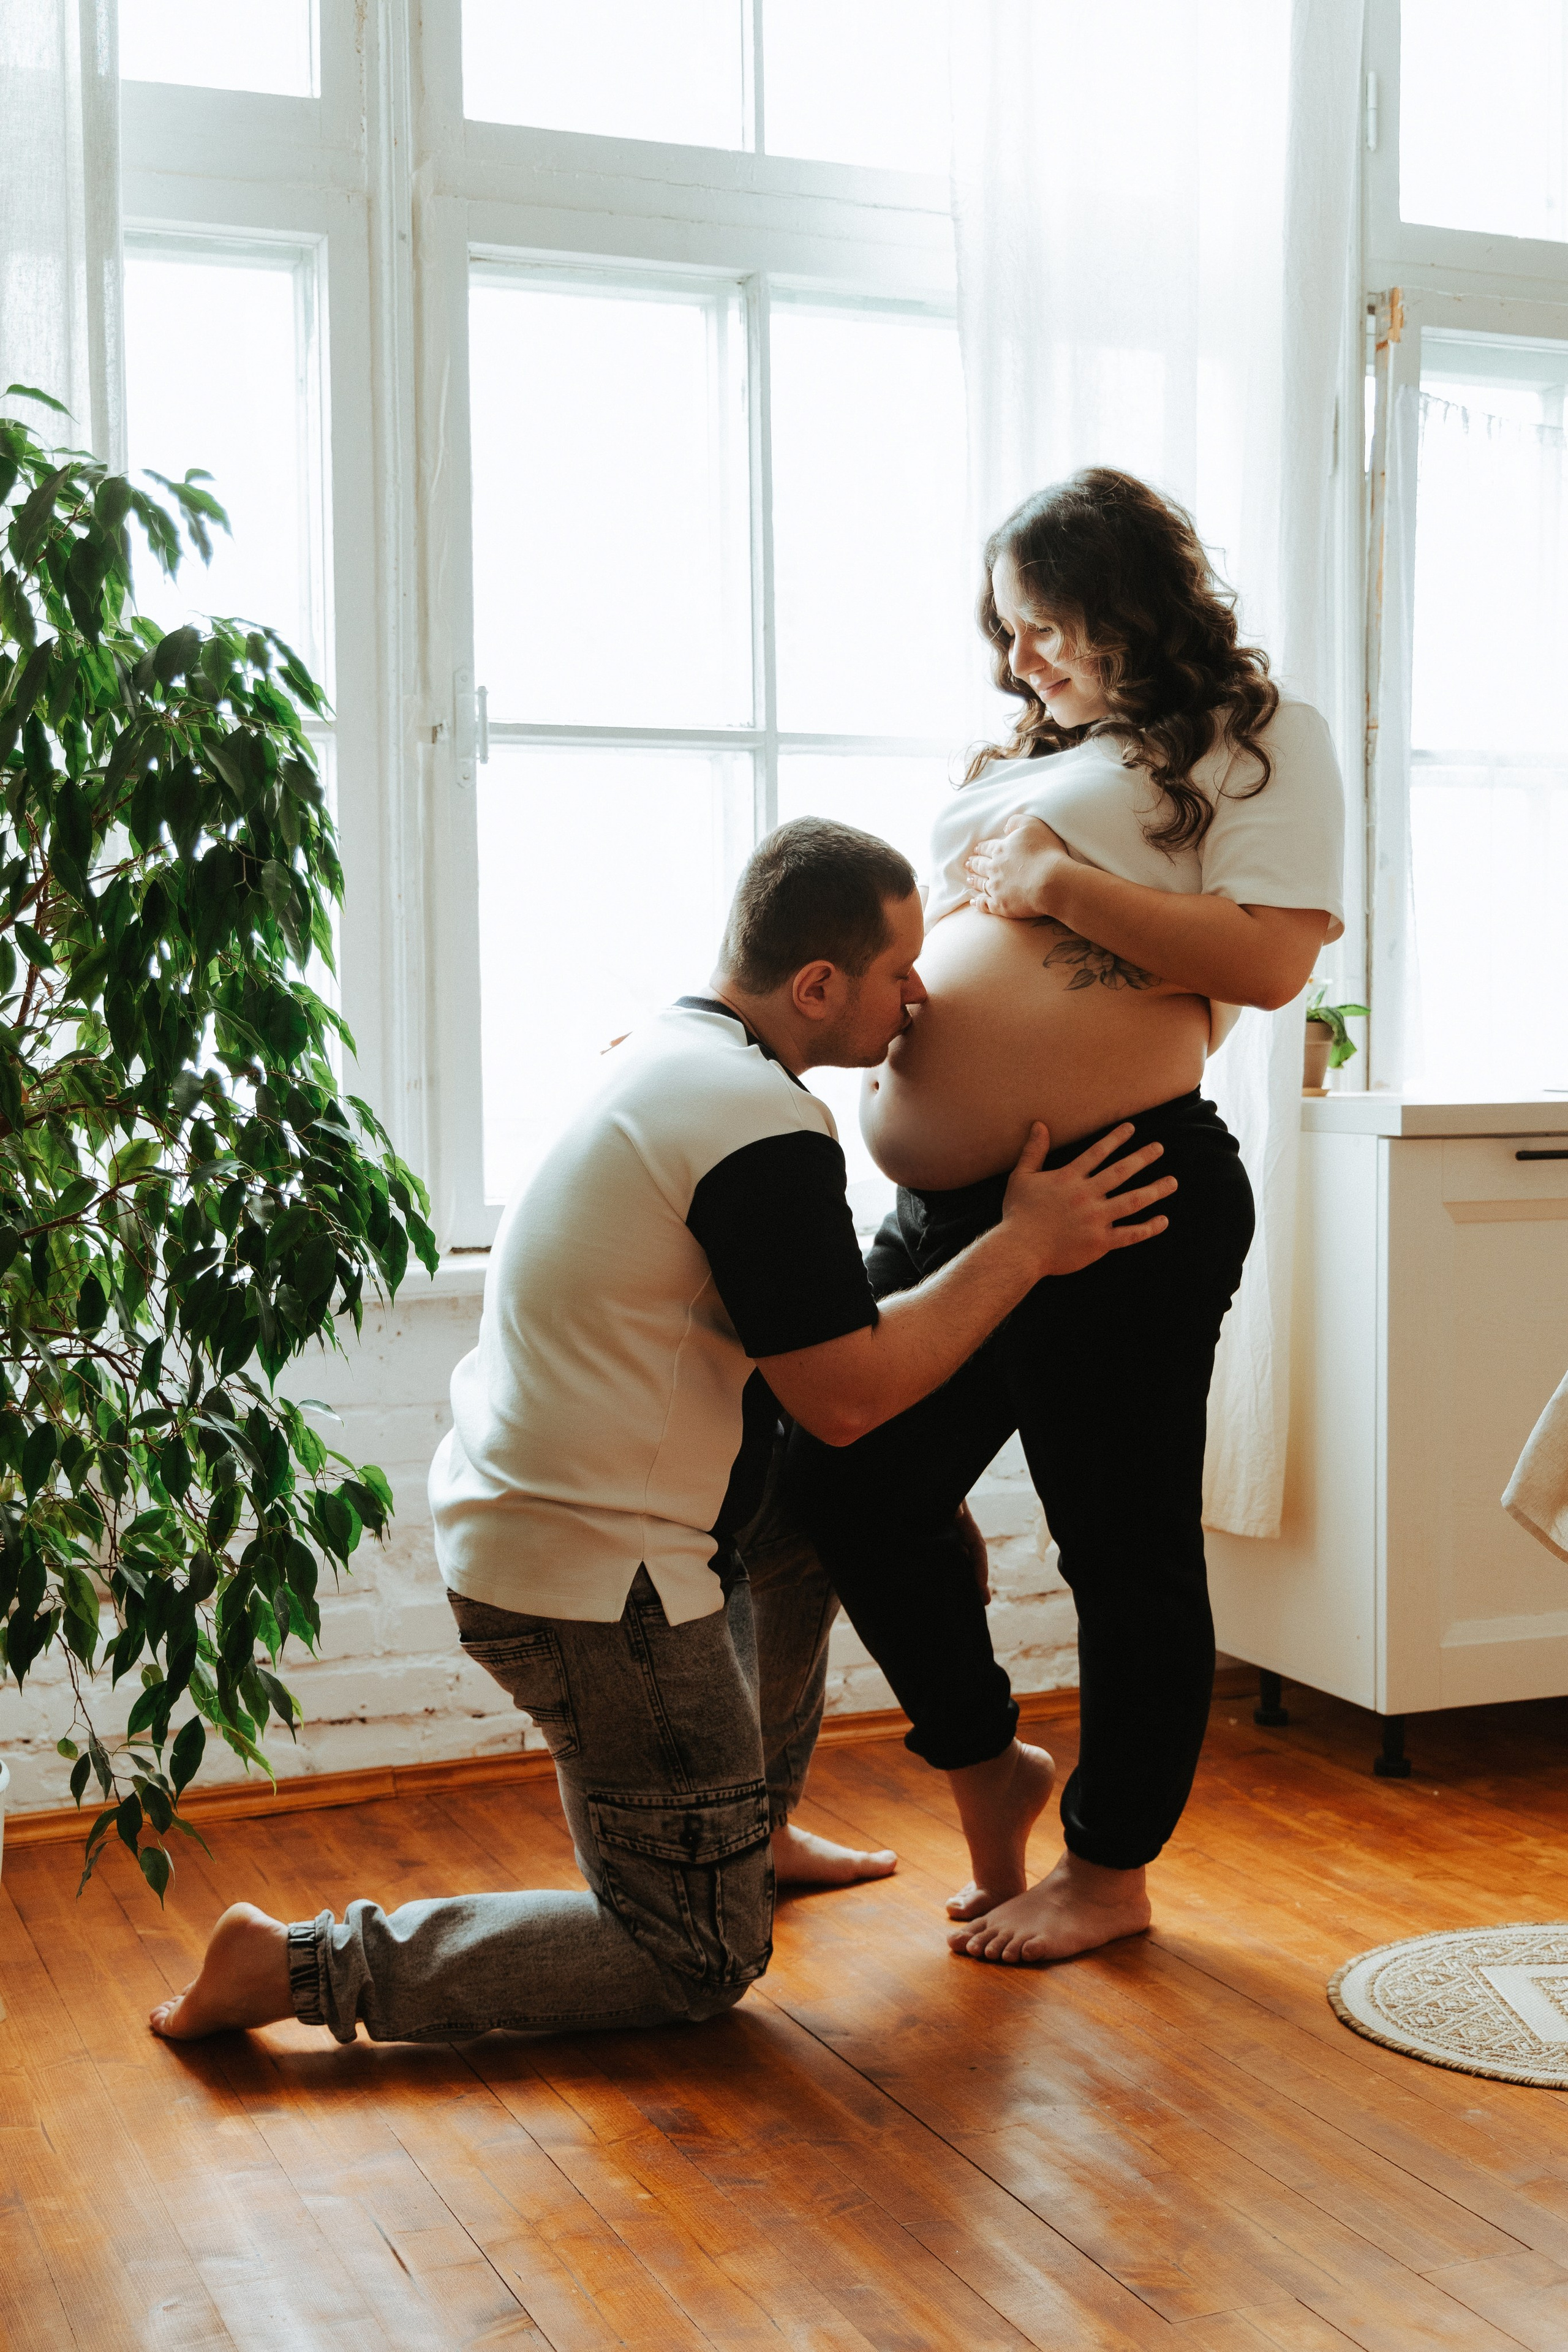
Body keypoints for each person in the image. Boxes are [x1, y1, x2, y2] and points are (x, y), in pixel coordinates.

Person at [149, 816, 1175, 2043]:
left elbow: (812, 1380)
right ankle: (298, 1966)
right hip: (598, 1590)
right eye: (902, 973)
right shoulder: (759, 1129)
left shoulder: (673, 1051)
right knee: (694, 1959)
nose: (918, 1002)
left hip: (545, 1517)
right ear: (815, 985)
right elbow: (843, 1392)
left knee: (826, 1510)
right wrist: (1022, 1244)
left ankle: (757, 1818)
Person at [785, 469, 1344, 1969]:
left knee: (1120, 1540)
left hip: (1123, 1186)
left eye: (1044, 628)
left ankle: (1107, 1871)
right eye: (1006, 633)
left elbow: (1272, 963)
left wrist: (1053, 878)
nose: (1019, 659)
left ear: (1124, 606)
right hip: (957, 1201)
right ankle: (986, 1756)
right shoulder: (1029, 753)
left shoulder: (1258, 739)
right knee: (842, 1467)